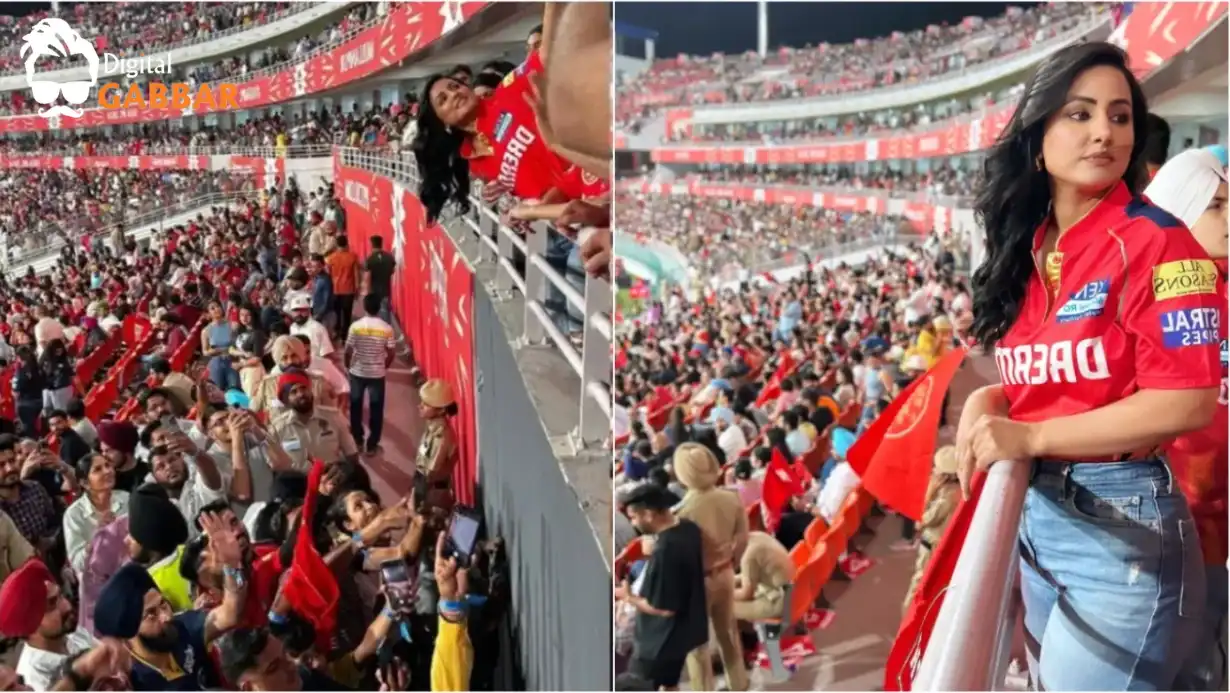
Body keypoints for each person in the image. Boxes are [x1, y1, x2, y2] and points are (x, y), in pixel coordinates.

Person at [961, 42, 1219, 691]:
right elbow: (1059, 375)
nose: (1105, 131)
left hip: (1123, 532)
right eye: (1079, 114)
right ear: (1038, 129)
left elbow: (1186, 399)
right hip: (1041, 528)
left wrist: (1031, 436)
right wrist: (990, 402)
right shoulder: (1030, 245)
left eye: (1119, 115)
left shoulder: (1163, 241)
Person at [1144, 148, 1229, 691]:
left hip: (1217, 536)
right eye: (1218, 206)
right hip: (1162, 537)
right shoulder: (1140, 302)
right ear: (1177, 213)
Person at [615, 483, 707, 692]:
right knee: (669, 684)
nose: (633, 523)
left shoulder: (666, 550)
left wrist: (629, 598)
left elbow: (664, 608)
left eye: (633, 517)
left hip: (659, 642)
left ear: (648, 514)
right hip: (686, 631)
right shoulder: (688, 528)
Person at [671, 443, 748, 692]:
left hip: (697, 584)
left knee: (696, 645)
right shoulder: (731, 497)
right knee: (728, 633)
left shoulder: (682, 513)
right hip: (726, 572)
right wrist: (731, 562)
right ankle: (739, 683)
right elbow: (743, 539)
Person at [0, 559, 97, 691]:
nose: (67, 606)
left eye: (60, 596)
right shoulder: (36, 681)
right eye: (51, 605)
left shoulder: (68, 632)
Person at [902, 446, 961, 613]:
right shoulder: (955, 491)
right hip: (939, 543)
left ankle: (908, 617)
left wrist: (929, 494)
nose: (934, 470)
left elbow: (920, 522)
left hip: (932, 545)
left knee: (919, 583)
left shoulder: (946, 498)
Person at [344, 294, 396, 456]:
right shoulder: (387, 328)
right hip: (377, 374)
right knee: (376, 409)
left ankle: (357, 440)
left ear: (365, 307)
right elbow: (391, 351)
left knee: (356, 406)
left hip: (357, 372)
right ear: (379, 307)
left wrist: (348, 365)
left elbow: (348, 350)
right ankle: (372, 445)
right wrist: (384, 365)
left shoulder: (355, 327)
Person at [62, 452, 129, 576]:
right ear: (85, 483)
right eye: (98, 469)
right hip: (98, 582)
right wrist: (97, 538)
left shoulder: (125, 499)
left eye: (108, 465)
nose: (107, 471)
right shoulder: (73, 515)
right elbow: (78, 563)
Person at [415, 379, 458, 513]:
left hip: (432, 491)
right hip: (422, 481)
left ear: (441, 411)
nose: (420, 406)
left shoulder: (442, 437)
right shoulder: (431, 427)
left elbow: (432, 472)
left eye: (426, 404)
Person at [325, 237, 360, 337]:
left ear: (337, 244)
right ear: (346, 244)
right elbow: (356, 274)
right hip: (349, 289)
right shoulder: (352, 257)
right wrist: (356, 288)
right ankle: (346, 334)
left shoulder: (331, 258)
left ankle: (337, 330)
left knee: (337, 312)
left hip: (335, 289)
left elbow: (328, 273)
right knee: (347, 313)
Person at [362, 235, 396, 325]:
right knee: (386, 313)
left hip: (374, 291)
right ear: (381, 244)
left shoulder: (370, 259)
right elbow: (392, 271)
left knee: (373, 315)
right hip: (385, 290)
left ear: (371, 245)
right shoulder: (389, 258)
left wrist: (368, 292)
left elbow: (367, 277)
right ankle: (388, 332)